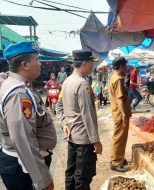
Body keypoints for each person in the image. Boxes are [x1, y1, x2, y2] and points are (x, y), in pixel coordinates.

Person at [0, 41, 56, 190]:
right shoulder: (18, 93)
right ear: (25, 65)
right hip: (22, 168)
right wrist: (42, 180)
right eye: (37, 60)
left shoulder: (21, 86)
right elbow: (23, 139)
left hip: (24, 165)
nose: (41, 64)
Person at [61, 50, 102, 190]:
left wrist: (64, 123)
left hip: (72, 136)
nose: (93, 67)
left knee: (71, 174)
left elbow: (59, 105)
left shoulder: (67, 81)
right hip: (84, 139)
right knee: (83, 177)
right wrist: (96, 141)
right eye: (91, 63)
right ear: (84, 63)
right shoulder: (82, 84)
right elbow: (88, 115)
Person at [109, 57, 132, 172]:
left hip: (117, 112)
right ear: (121, 66)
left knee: (118, 137)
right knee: (119, 138)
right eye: (125, 66)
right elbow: (120, 99)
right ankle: (116, 162)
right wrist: (124, 115)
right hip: (120, 113)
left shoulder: (113, 77)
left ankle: (118, 158)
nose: (126, 68)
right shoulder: (118, 79)